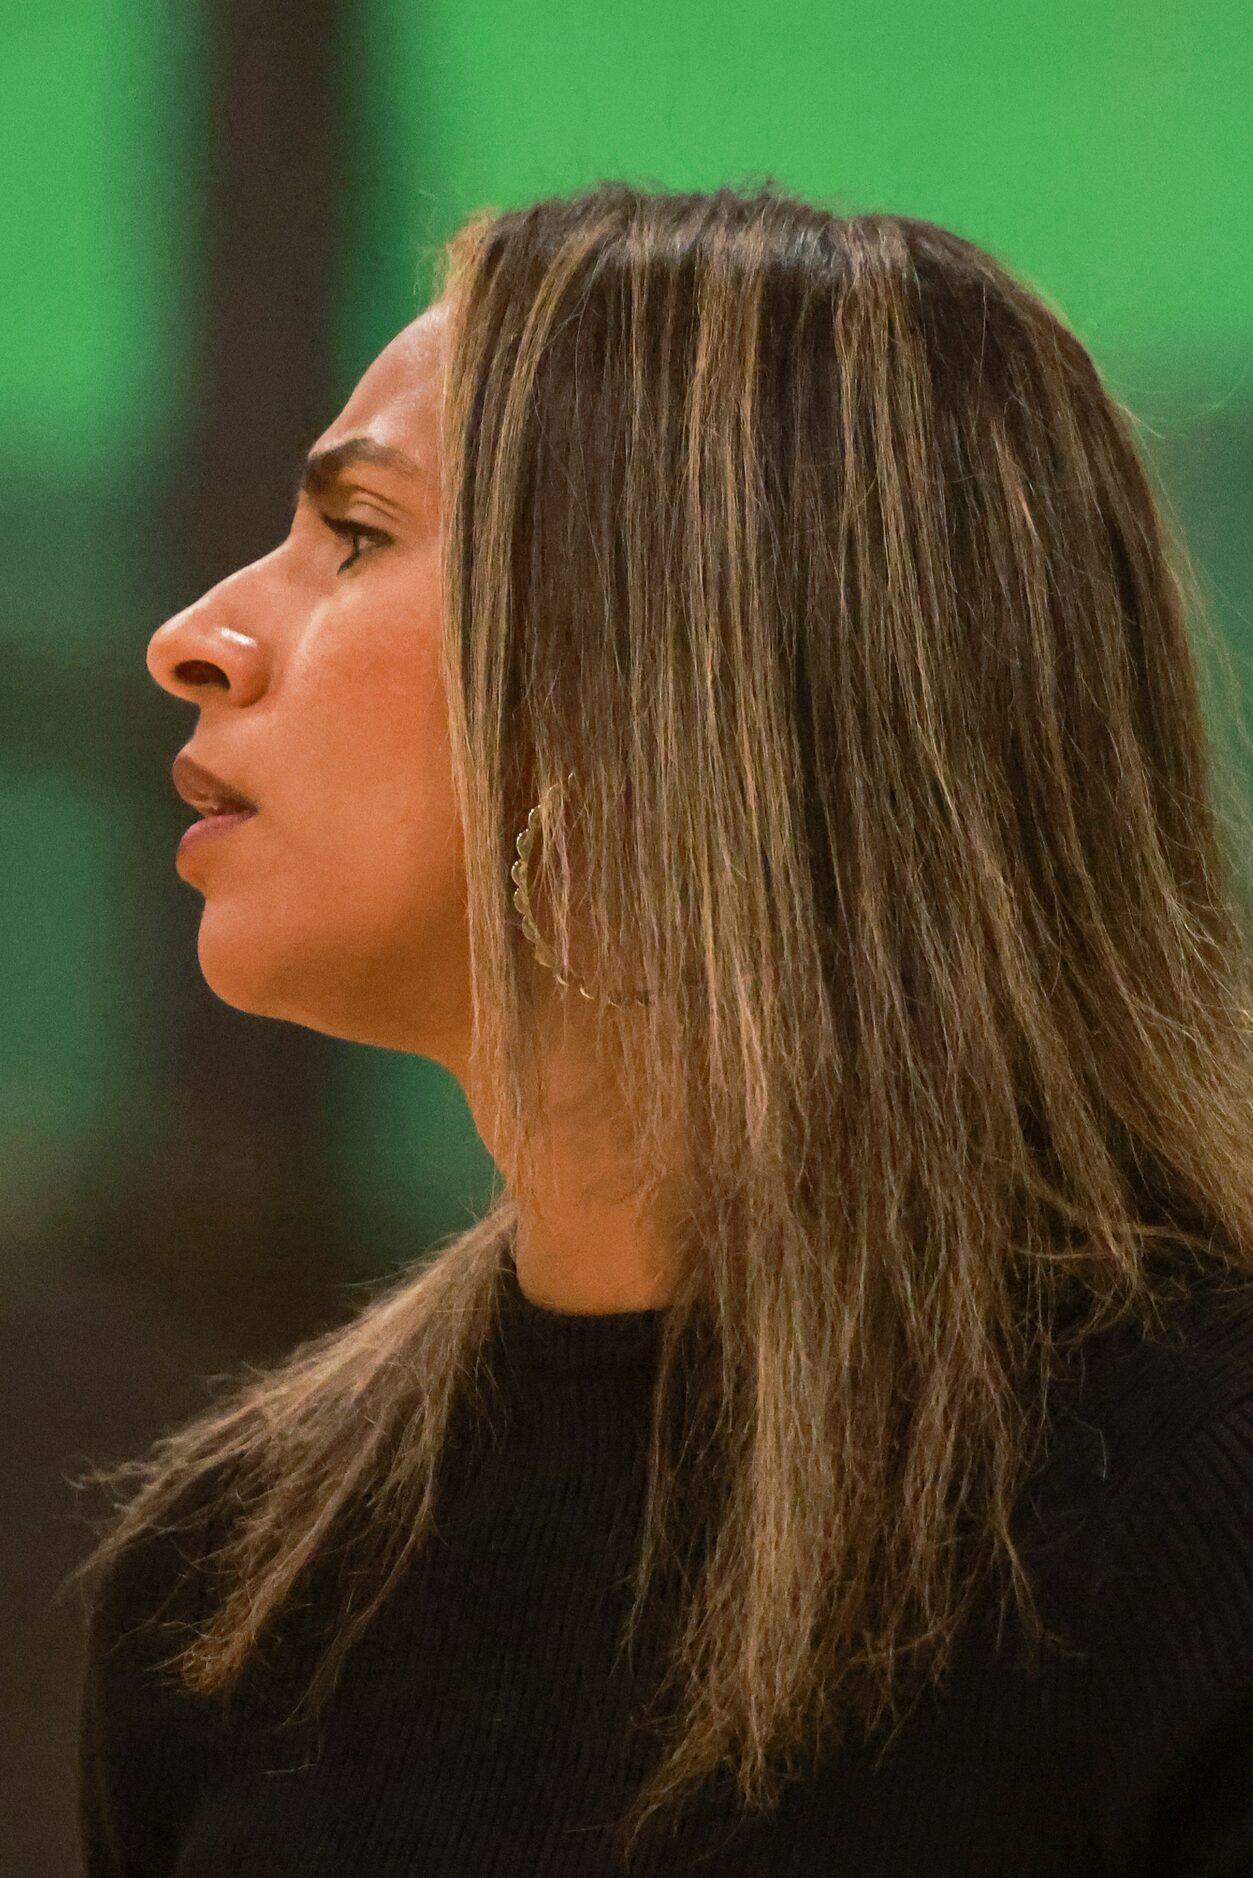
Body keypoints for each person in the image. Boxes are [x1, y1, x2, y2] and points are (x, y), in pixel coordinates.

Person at [69, 181, 1253, 1875]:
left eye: (355, 534)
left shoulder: (1200, 1521)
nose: (194, 638)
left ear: (664, 669)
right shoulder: (230, 1579)